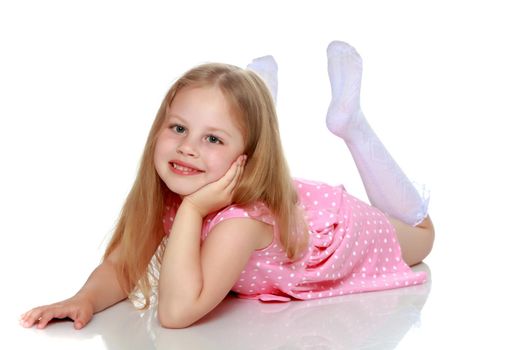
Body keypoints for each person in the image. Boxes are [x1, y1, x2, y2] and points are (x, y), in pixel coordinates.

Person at [20, 41, 434, 330]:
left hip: (337, 235)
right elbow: (123, 267)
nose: (186, 149)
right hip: (275, 192)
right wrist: (84, 299)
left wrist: (194, 211)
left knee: (423, 235)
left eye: (212, 138)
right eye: (178, 128)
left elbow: (177, 313)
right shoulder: (175, 190)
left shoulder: (236, 224)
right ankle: (254, 112)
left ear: (244, 161)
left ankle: (352, 127)